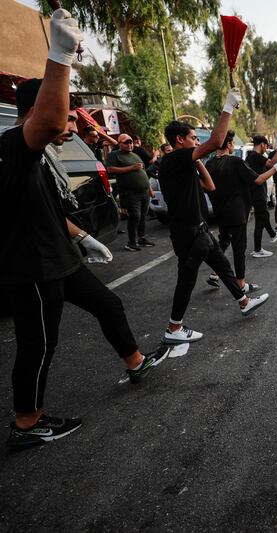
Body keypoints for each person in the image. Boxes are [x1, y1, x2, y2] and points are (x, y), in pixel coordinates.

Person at [1, 15, 169, 450]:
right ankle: (26, 424)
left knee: (108, 304)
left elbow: (50, 211)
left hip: (61, 256)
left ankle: (135, 362)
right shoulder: (13, 148)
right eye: (66, 112)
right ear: (37, 111)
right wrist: (59, 55)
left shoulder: (38, 159)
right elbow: (53, 122)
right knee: (39, 345)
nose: (73, 127)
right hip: (34, 269)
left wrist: (79, 235)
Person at [158, 89, 269, 345]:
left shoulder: (185, 163)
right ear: (178, 140)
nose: (197, 142)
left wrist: (196, 159)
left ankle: (243, 302)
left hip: (200, 230)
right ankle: (174, 327)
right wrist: (227, 107)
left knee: (223, 266)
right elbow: (217, 140)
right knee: (186, 280)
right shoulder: (173, 159)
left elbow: (210, 186)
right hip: (187, 234)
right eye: (193, 138)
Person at [206, 130, 277, 289]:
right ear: (229, 144)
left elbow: (207, 186)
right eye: (232, 143)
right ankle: (241, 283)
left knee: (224, 240)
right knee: (239, 248)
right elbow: (258, 179)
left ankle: (215, 273)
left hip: (220, 211)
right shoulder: (235, 161)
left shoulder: (209, 163)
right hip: (237, 211)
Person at [106, 133, 155, 251]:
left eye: (131, 142)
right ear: (119, 144)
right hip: (130, 192)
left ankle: (141, 238)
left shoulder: (135, 155)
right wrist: (131, 168)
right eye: (126, 142)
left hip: (144, 191)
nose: (129, 145)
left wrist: (149, 188)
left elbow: (143, 172)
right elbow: (110, 169)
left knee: (143, 216)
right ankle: (131, 242)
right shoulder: (114, 155)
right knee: (135, 216)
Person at [245, 135, 277, 255]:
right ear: (262, 144)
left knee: (260, 221)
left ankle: (258, 249)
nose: (266, 149)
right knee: (263, 215)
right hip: (257, 191)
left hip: (255, 190)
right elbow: (272, 163)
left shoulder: (250, 156)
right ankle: (272, 233)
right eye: (266, 146)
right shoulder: (256, 156)